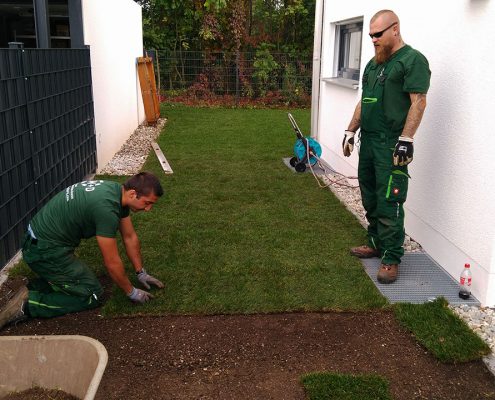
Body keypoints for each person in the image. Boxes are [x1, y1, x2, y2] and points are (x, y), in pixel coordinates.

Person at [0, 172, 165, 329]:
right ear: (132, 194)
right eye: (147, 203)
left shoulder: (115, 192)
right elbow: (112, 262)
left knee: (76, 281)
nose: (148, 209)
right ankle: (28, 304)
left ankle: (29, 288)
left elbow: (129, 237)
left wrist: (140, 272)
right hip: (43, 251)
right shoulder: (106, 210)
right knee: (92, 295)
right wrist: (131, 292)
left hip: (39, 241)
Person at [342, 10, 431, 284]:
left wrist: (406, 140)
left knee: (390, 201)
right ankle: (375, 242)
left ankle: (391, 257)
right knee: (369, 195)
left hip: (391, 146)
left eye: (377, 34)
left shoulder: (412, 60)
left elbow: (419, 101)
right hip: (368, 143)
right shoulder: (373, 64)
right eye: (370, 35)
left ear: (395, 29)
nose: (373, 39)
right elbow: (364, 100)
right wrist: (350, 129)